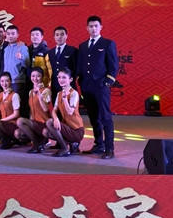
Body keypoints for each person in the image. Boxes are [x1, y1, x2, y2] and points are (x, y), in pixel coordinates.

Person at [77, 15, 118, 159]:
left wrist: (107, 83)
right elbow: (81, 66)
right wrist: (80, 82)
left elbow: (113, 66)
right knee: (93, 117)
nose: (93, 29)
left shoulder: (107, 43)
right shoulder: (83, 46)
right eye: (91, 26)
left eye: (96, 26)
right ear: (87, 28)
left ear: (101, 27)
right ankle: (99, 145)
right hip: (87, 87)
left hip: (101, 87)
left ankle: (109, 149)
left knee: (106, 117)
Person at [45, 68, 85, 158]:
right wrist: (56, 119)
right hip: (67, 127)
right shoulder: (59, 93)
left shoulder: (74, 93)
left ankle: (65, 148)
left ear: (70, 79)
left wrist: (65, 99)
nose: (61, 80)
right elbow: (54, 110)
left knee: (49, 122)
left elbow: (70, 111)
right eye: (59, 77)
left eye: (64, 77)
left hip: (76, 130)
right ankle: (72, 143)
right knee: (46, 132)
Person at [17, 67, 52, 153]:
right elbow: (32, 111)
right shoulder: (31, 92)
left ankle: (38, 143)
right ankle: (37, 142)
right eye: (33, 76)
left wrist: (40, 97)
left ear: (42, 77)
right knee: (18, 133)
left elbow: (46, 109)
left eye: (38, 76)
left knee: (20, 121)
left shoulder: (46, 90)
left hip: (44, 123)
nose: (35, 78)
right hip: (35, 123)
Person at [0, 72, 21, 149]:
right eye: (2, 81)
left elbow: (16, 114)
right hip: (4, 123)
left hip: (12, 123)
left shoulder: (15, 95)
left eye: (7, 81)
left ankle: (10, 139)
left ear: (10, 82)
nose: (4, 84)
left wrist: (3, 120)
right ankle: (6, 139)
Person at [2, 25, 30, 116]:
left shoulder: (22, 47)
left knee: (18, 107)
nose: (10, 36)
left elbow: (27, 64)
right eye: (8, 34)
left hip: (18, 81)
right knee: (8, 106)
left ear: (18, 35)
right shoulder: (6, 49)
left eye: (13, 33)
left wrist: (21, 58)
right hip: (6, 82)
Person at [48, 26, 78, 100]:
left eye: (62, 34)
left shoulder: (73, 50)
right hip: (55, 87)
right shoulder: (50, 52)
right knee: (56, 105)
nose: (59, 37)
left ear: (66, 36)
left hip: (69, 86)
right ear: (54, 37)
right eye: (57, 35)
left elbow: (77, 69)